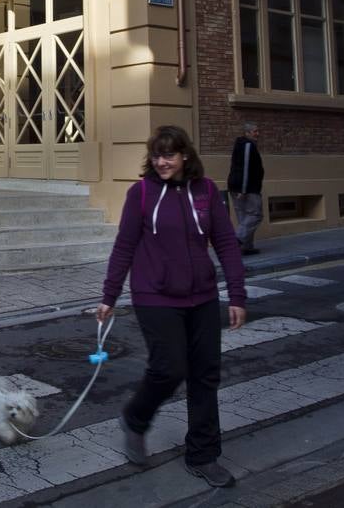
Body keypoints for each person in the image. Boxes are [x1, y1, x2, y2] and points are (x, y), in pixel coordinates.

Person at [97, 124, 247, 488]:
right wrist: (109, 295)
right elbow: (125, 246)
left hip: (203, 298)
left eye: (169, 154)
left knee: (205, 376)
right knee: (169, 368)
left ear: (184, 156)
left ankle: (203, 456)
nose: (162, 161)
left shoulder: (207, 191)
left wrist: (237, 295)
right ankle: (136, 418)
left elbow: (226, 243)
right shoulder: (142, 194)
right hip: (155, 296)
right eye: (156, 155)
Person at [226, 121, 264, 256]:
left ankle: (246, 247)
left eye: (258, 131)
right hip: (247, 187)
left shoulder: (240, 144)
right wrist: (243, 189)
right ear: (247, 133)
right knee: (255, 215)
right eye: (255, 131)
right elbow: (246, 167)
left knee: (243, 216)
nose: (258, 134)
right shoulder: (248, 145)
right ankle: (236, 241)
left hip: (236, 185)